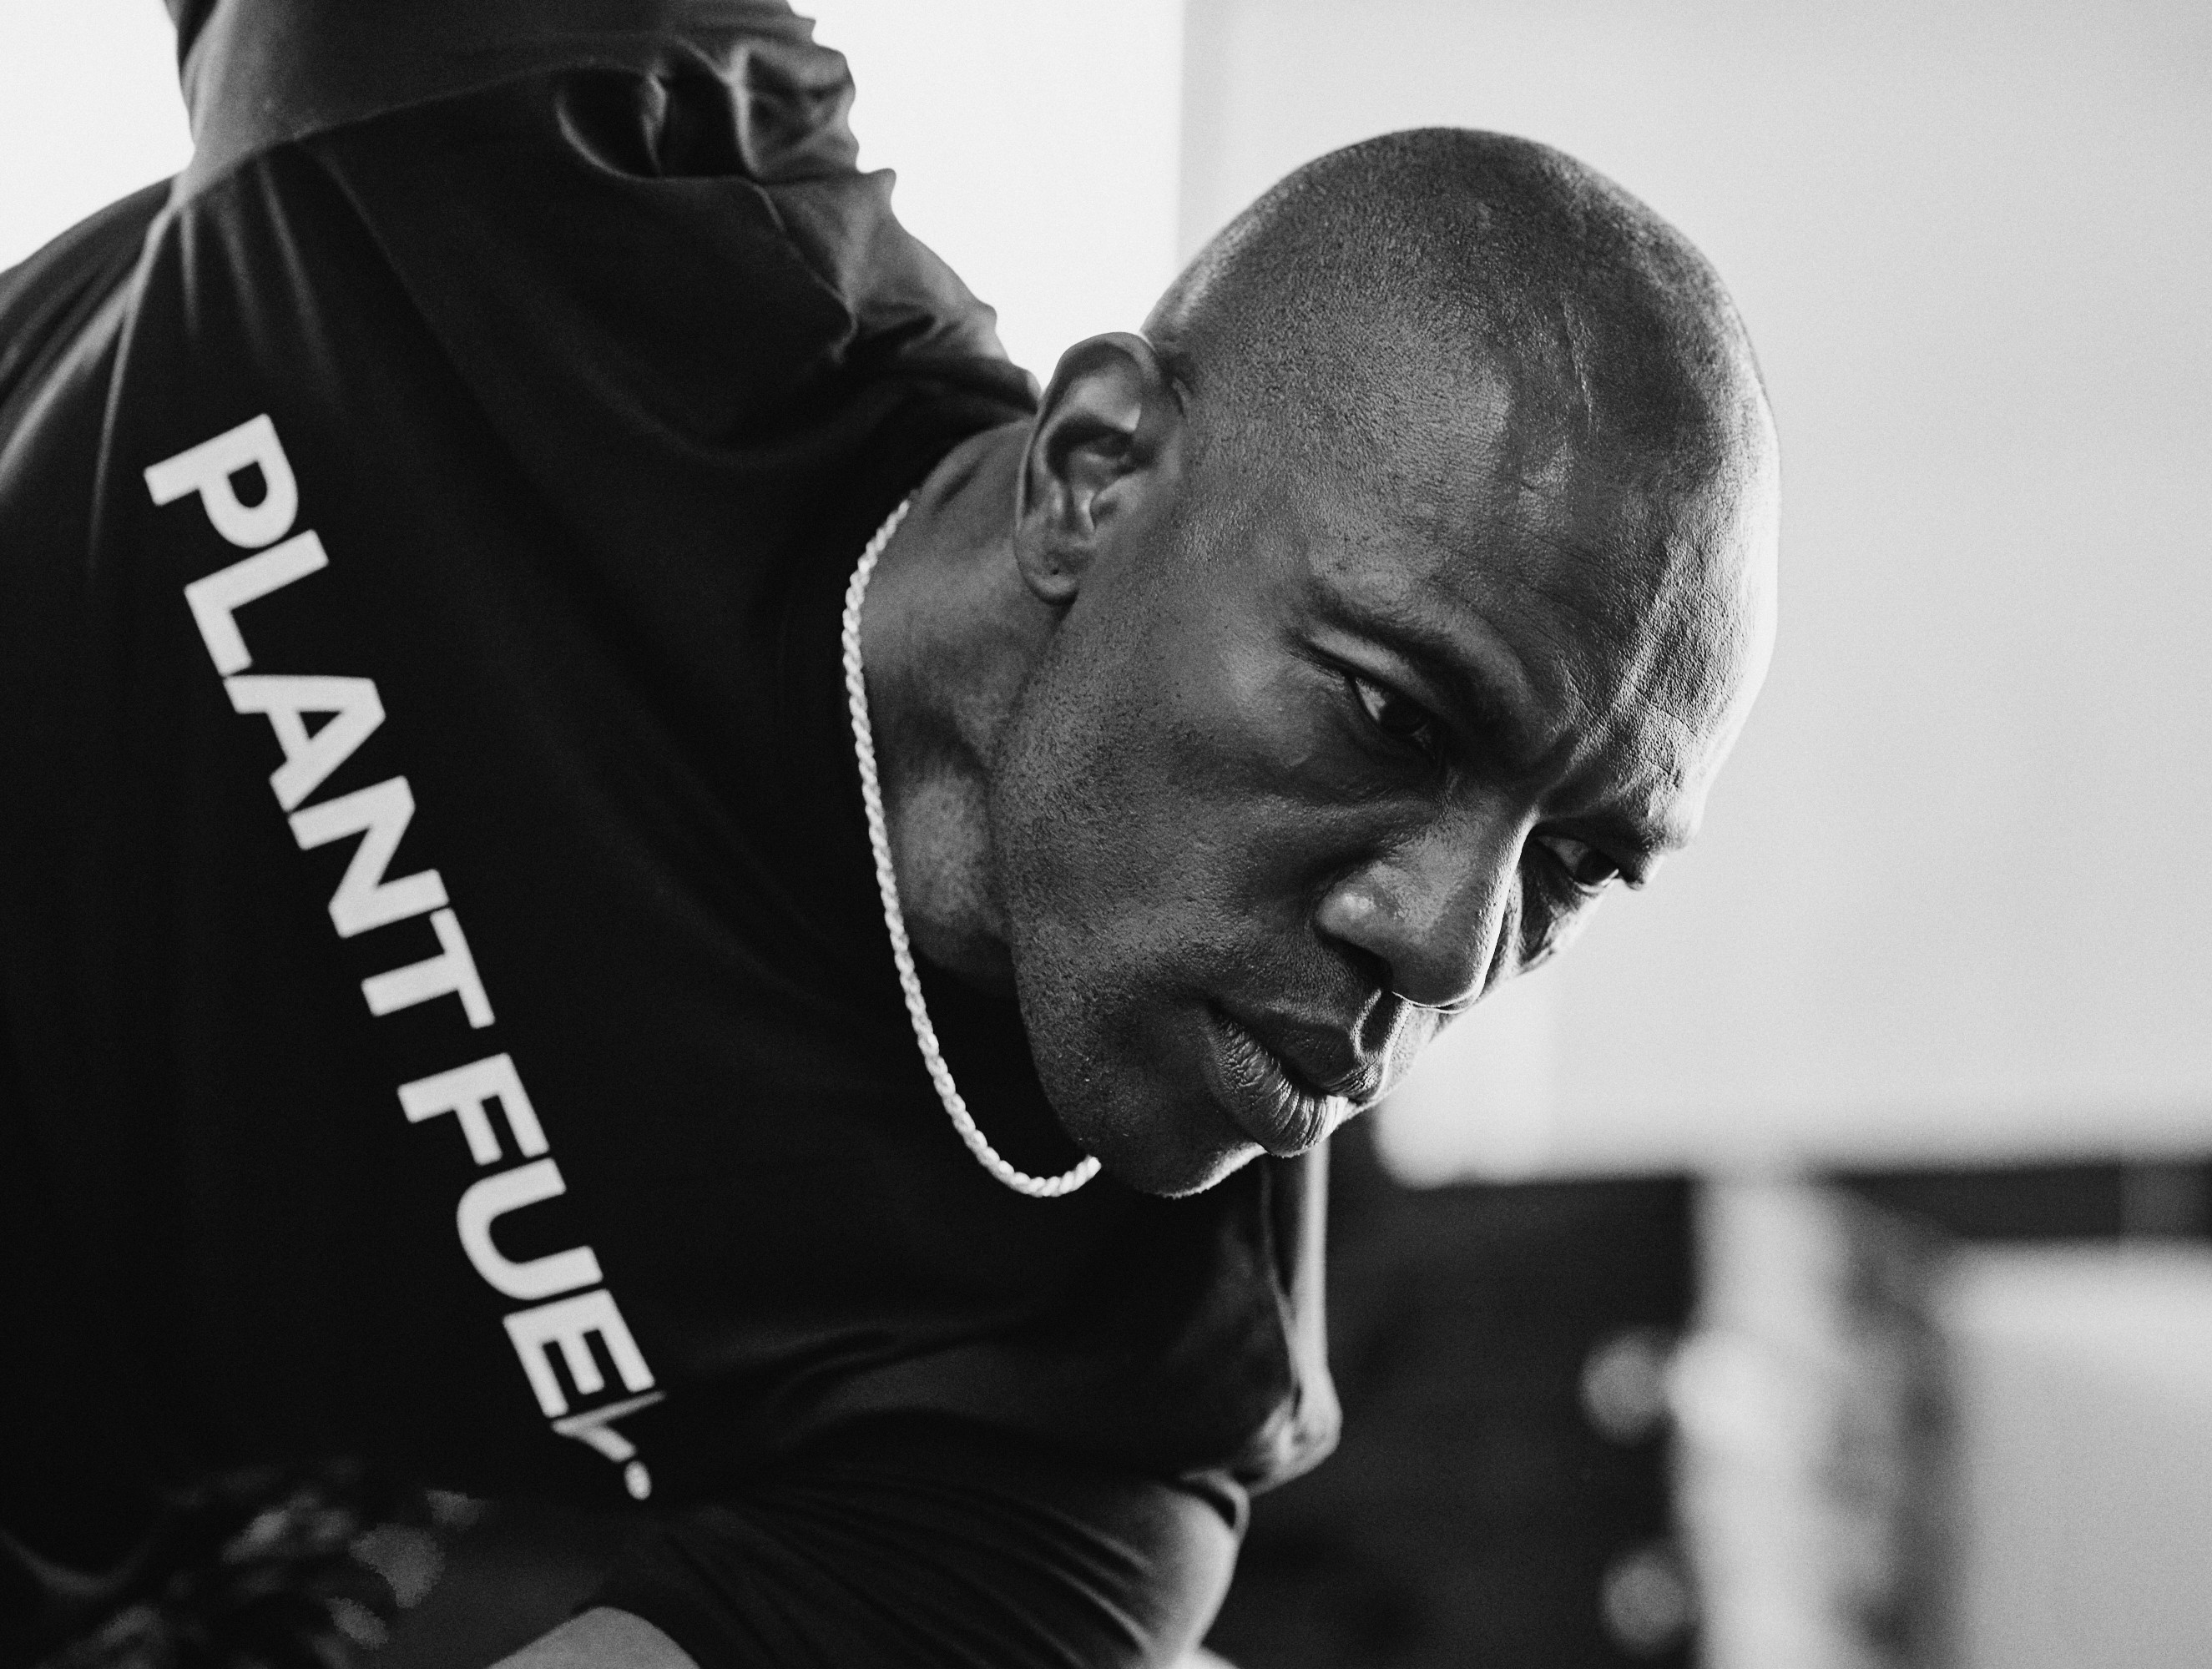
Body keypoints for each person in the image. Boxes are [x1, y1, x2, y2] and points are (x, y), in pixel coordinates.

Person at [0, 0, 1778, 1665]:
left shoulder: (1096, 1448)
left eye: (1575, 862)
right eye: (1394, 710)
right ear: (1097, 474)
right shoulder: (572, 142)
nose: (1453, 944)